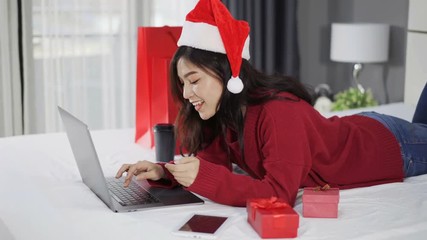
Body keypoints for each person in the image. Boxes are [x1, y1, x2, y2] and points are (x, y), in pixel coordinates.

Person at [116, 0, 427, 207]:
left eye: (194, 80)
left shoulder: (278, 114)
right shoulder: (222, 113)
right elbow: (211, 167)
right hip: (369, 128)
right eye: (183, 83)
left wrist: (203, 178)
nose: (186, 94)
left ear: (228, 71)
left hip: (392, 146)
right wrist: (163, 172)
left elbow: (279, 193)